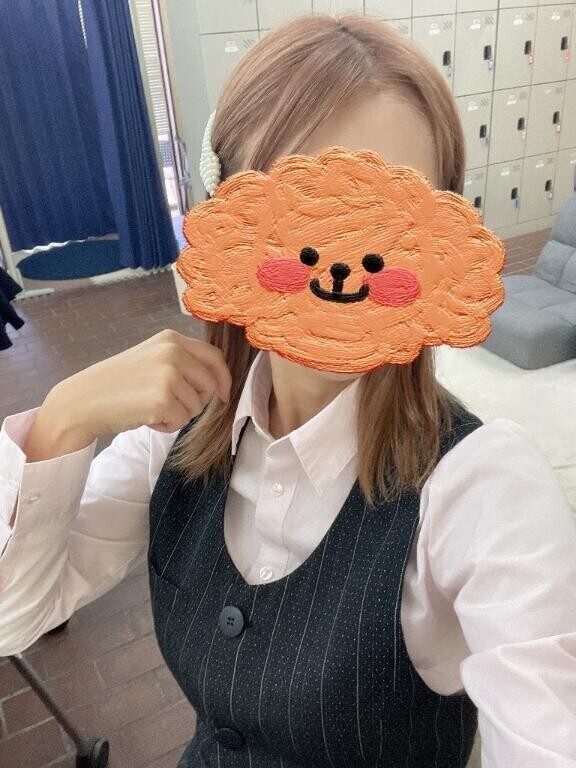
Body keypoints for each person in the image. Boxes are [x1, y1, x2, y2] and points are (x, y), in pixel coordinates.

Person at [1, 13, 575, 768]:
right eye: (303, 219)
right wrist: (63, 419)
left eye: (385, 229)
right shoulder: (177, 433)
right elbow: (16, 616)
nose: (341, 263)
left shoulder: (481, 488)